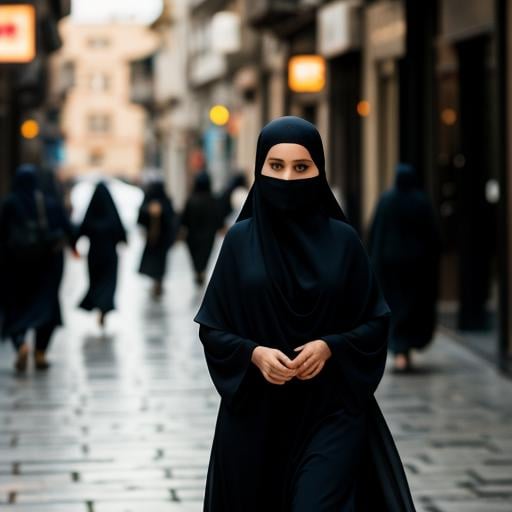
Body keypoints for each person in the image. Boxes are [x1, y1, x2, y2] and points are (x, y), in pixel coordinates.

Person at [194, 117, 416, 511]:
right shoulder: (240, 242)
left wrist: (331, 347)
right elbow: (213, 329)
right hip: (255, 418)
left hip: (331, 412)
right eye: (276, 166)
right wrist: (254, 354)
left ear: (319, 170)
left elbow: (376, 322)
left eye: (301, 167)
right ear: (260, 169)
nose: (288, 178)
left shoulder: (344, 242)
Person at [0, 165, 73, 372]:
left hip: (15, 267)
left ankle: (21, 343)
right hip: (46, 267)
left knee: (15, 308)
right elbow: (68, 229)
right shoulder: (49, 203)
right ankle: (40, 352)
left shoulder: (9, 203)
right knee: (46, 308)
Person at [368, 163, 440, 373]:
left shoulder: (387, 201)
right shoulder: (421, 202)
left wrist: (373, 263)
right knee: (412, 307)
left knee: (395, 307)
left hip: (390, 269)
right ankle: (405, 348)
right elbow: (433, 237)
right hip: (417, 268)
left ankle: (400, 350)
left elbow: (376, 235)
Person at [75, 182, 127, 327]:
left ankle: (99, 306)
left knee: (96, 282)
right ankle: (104, 309)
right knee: (108, 283)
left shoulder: (91, 215)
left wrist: (73, 245)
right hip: (110, 255)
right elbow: (120, 231)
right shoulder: (112, 214)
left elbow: (81, 230)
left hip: (94, 255)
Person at [181, 172, 223, 286]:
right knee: (205, 255)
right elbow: (218, 217)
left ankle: (198, 271)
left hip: (192, 235)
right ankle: (201, 271)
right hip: (208, 236)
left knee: (195, 256)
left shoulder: (191, 199)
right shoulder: (213, 200)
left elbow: (184, 219)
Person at [137, 181, 176, 298]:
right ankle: (156, 281)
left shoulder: (165, 201)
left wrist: (161, 211)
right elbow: (140, 218)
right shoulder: (148, 202)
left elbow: (171, 218)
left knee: (160, 261)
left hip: (162, 238)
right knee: (154, 261)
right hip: (152, 239)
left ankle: (158, 281)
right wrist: (149, 211)